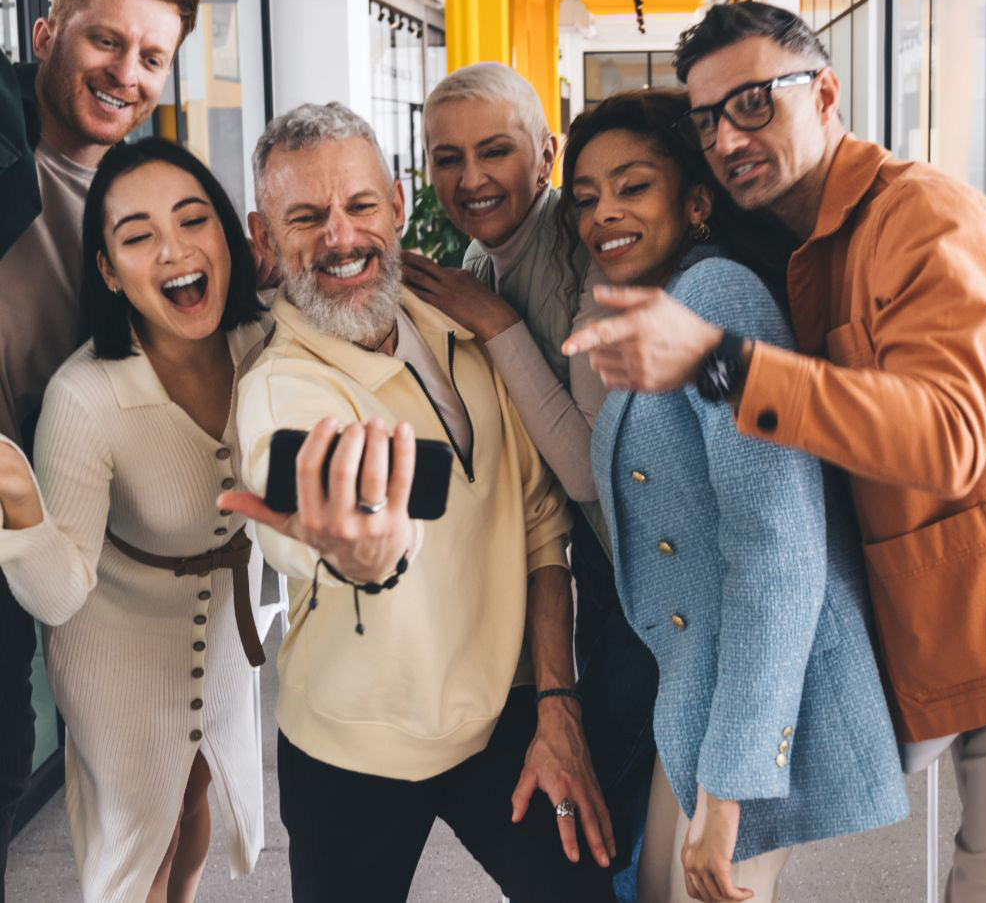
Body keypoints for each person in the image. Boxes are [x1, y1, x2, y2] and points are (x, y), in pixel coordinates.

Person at [564, 2, 986, 903]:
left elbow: (946, 437)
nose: (730, 136)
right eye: (708, 120)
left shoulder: (923, 219)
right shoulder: (814, 248)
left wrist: (715, 361)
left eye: (753, 103)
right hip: (970, 649)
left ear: (824, 92)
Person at [218, 102, 617, 902]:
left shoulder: (459, 321)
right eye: (306, 217)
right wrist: (358, 550)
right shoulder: (281, 385)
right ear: (265, 238)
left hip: (506, 716)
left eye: (359, 206)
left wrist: (557, 701)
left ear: (397, 206)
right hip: (352, 749)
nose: (340, 236)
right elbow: (304, 499)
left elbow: (541, 526)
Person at [566, 88, 905, 903]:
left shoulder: (719, 297)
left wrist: (730, 790)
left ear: (695, 199)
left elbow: (777, 551)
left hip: (745, 715)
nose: (603, 211)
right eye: (585, 197)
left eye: (632, 185)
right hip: (699, 697)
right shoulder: (668, 304)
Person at [400, 64, 659, 896]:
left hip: (649, 577)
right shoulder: (485, 256)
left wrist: (497, 325)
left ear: (546, 155)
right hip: (602, 571)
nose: (470, 179)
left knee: (638, 808)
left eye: (494, 151)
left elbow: (589, 467)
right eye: (447, 158)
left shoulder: (586, 258)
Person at [0, 139, 266, 901]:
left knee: (193, 797)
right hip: (111, 633)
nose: (175, 249)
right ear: (110, 271)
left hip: (218, 626)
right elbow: (58, 595)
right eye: (139, 235)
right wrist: (20, 502)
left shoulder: (264, 343)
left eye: (194, 219)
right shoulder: (85, 395)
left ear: (228, 233)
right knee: (136, 838)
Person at [0, 0, 181, 893]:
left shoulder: (154, 196)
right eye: (104, 41)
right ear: (43, 33)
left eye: (151, 56)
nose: (125, 70)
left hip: (52, 527)